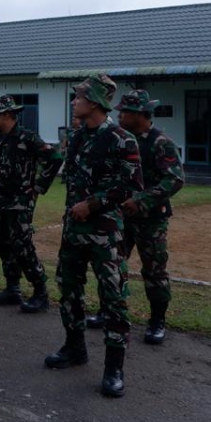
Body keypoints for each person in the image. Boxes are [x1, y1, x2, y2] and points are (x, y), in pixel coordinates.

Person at [44, 74, 142, 399]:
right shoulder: (76, 137)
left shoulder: (122, 139)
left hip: (105, 233)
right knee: (68, 288)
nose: (74, 102)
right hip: (74, 230)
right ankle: (75, 347)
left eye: (79, 97)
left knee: (112, 297)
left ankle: (114, 367)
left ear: (96, 102)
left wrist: (93, 204)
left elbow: (130, 187)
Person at [96, 89, 185, 345]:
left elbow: (175, 179)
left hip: (151, 220)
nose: (120, 115)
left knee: (154, 271)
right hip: (121, 217)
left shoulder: (160, 142)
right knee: (112, 266)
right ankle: (108, 311)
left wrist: (142, 200)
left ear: (140, 114)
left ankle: (157, 321)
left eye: (125, 112)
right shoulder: (119, 139)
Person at [0, 95, 63, 313]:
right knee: (2, 243)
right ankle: (12, 288)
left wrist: (38, 187)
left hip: (20, 202)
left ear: (7, 115)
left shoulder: (28, 138)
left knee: (22, 246)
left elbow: (55, 158)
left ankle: (40, 292)